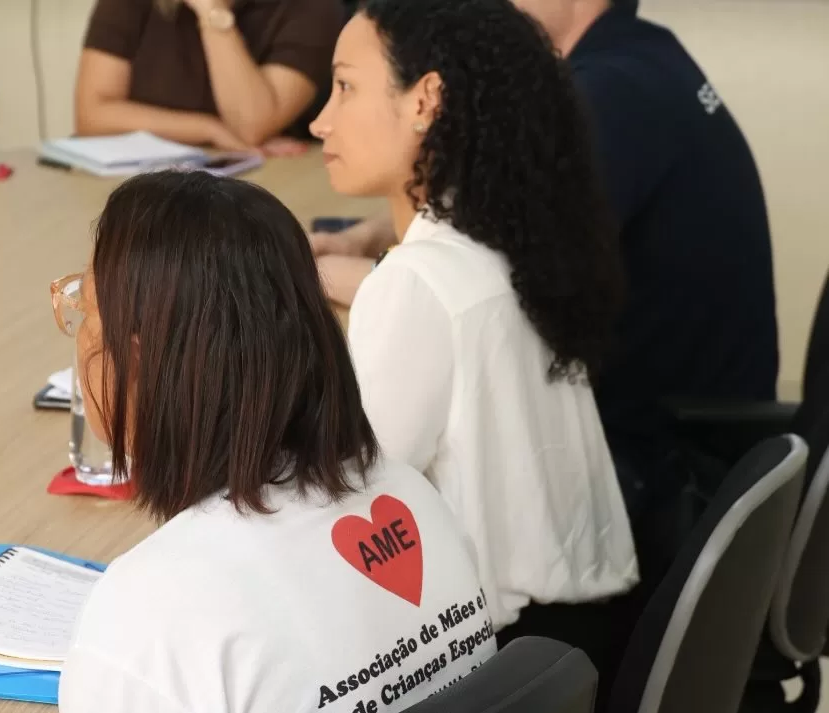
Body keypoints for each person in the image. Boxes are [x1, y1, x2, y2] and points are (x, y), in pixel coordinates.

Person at [313, 0, 779, 568]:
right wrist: (365, 236)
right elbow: (492, 198)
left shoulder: (608, 93)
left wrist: (329, 277)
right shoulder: (643, 54)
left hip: (658, 466)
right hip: (676, 443)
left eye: (346, 88)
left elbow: (480, 279)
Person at [54, 171, 497, 713]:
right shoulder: (416, 498)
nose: (77, 332)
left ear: (142, 358)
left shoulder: (148, 615)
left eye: (84, 309)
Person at [309, 0, 637, 681]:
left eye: (345, 87)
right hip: (578, 643)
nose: (321, 120)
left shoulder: (416, 286)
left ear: (425, 100)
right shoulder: (509, 241)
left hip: (499, 664)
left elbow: (344, 502)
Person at [75, 0, 345, 152]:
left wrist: (212, 12)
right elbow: (92, 115)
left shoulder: (313, 9)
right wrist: (209, 129)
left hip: (258, 187)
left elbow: (250, 126)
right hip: (138, 182)